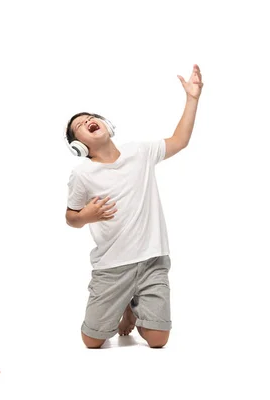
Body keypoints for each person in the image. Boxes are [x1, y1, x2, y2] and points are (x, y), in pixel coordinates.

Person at [64, 64, 204, 348]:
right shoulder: (83, 174)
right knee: (92, 342)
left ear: (107, 125)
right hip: (112, 267)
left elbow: (179, 141)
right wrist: (86, 215)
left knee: (157, 340)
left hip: (153, 259)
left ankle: (133, 308)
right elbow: (70, 217)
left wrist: (192, 99)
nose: (87, 121)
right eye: (79, 126)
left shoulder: (139, 152)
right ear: (79, 146)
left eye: (91, 118)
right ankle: (124, 303)